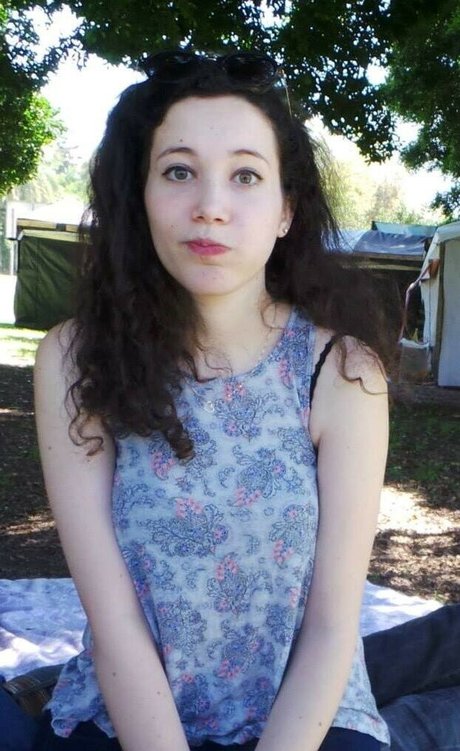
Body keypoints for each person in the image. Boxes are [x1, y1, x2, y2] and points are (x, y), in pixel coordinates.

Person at [32, 50, 402, 750]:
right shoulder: (76, 359)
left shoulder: (342, 373)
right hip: (132, 715)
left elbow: (331, 627)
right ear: (140, 196)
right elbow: (113, 621)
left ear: (286, 210)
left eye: (246, 175)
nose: (210, 205)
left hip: (307, 719)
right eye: (178, 171)